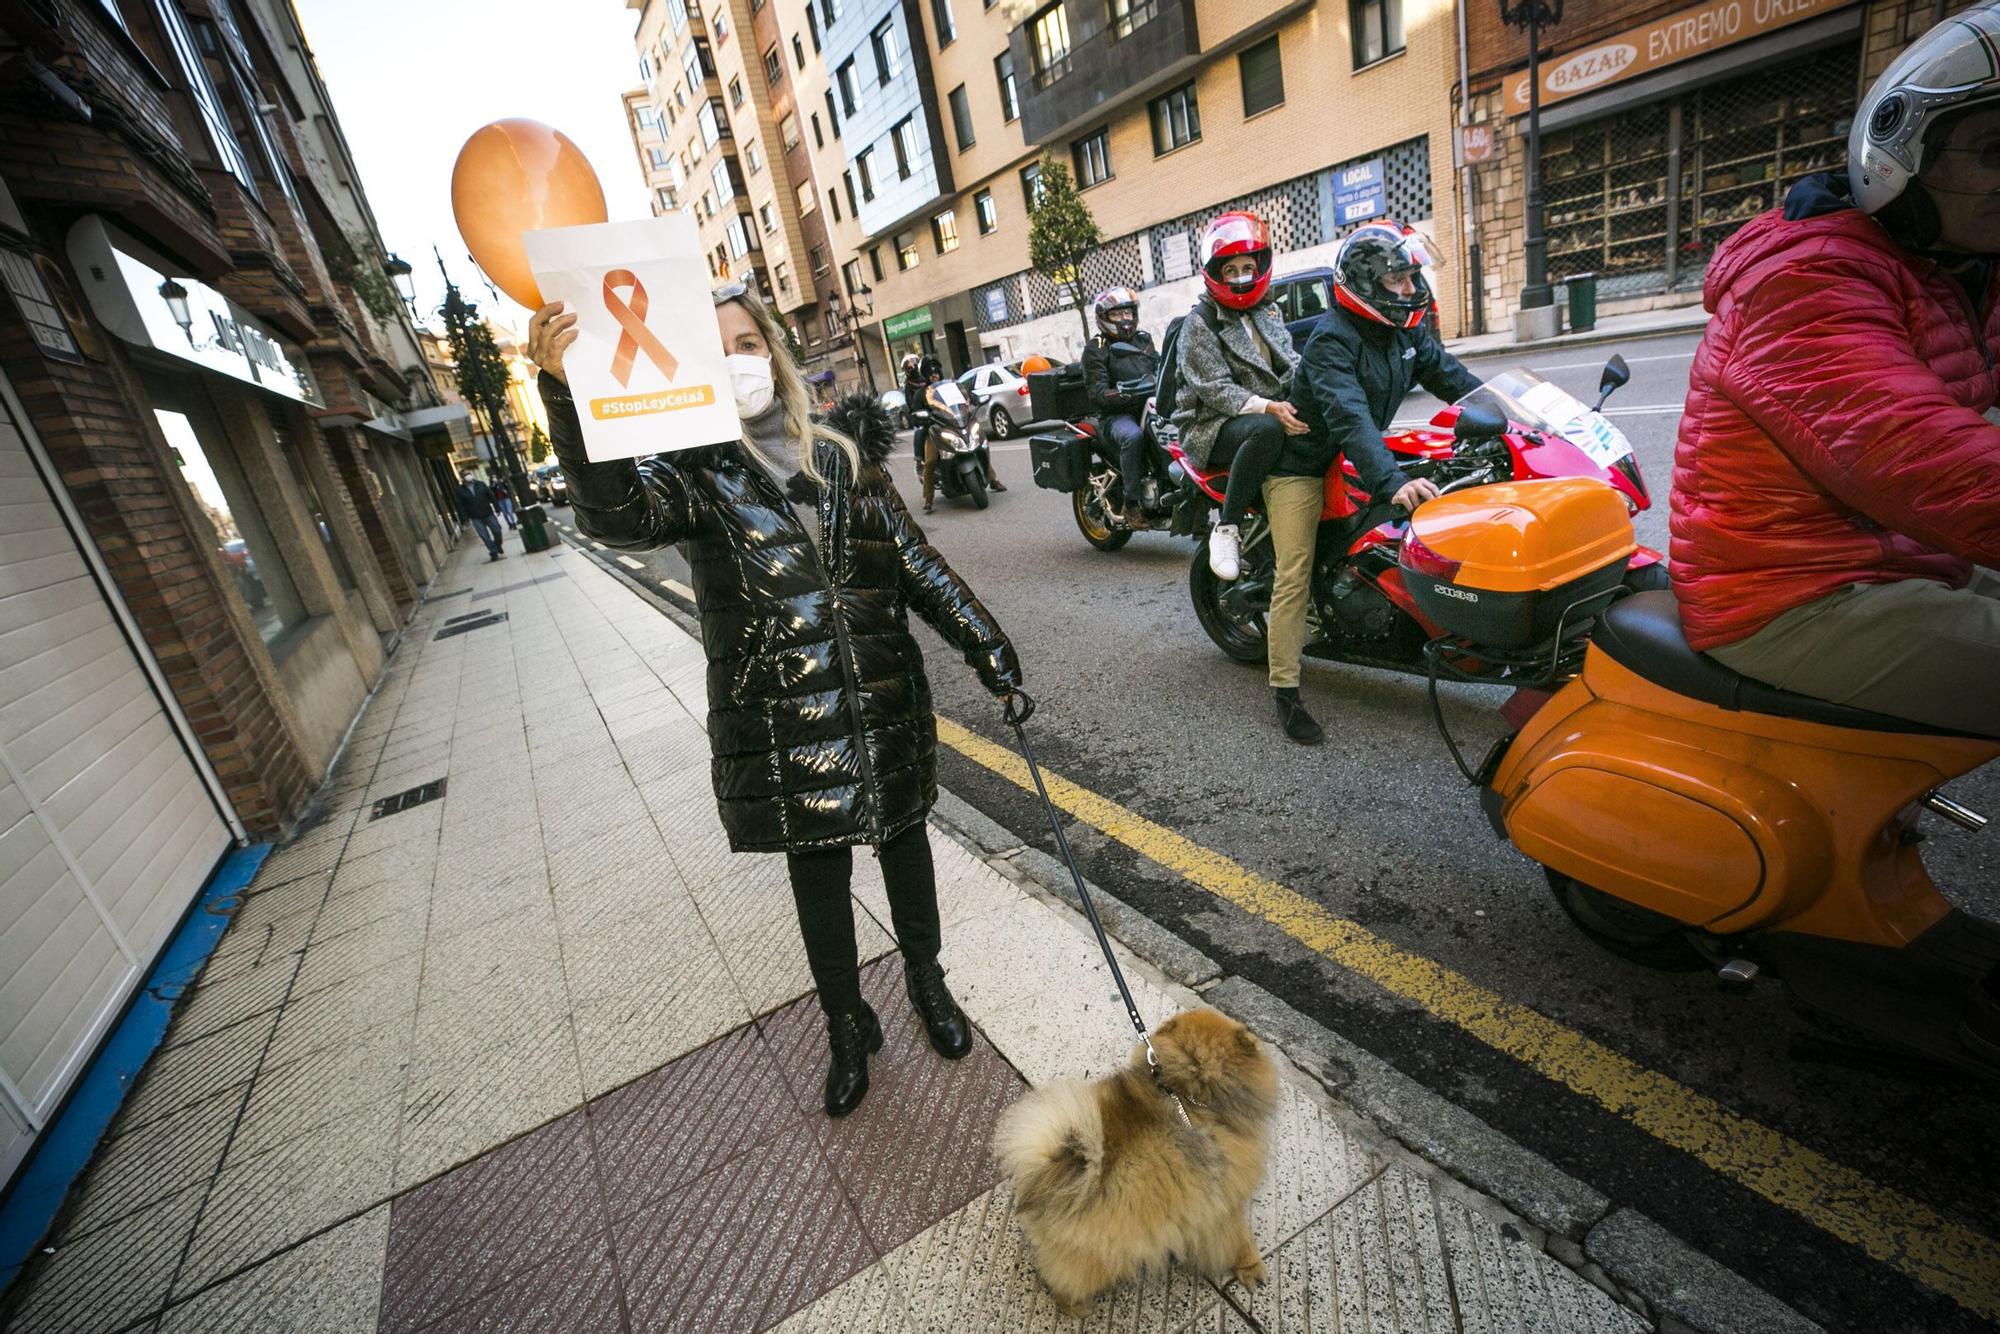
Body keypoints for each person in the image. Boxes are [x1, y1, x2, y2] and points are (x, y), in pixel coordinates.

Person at [526, 283, 1025, 1117]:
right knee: (818, 871)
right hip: (785, 715)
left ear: (774, 355)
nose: (739, 359)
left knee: (906, 843)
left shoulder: (840, 457)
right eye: (718, 346)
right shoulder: (692, 473)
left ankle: (927, 983)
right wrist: (564, 393)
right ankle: (844, 1020)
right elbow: (613, 516)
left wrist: (990, 649)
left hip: (880, 693)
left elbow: (916, 562)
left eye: (749, 342)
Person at [1669, 0, 2000, 735]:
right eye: (1993, 152)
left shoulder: (1953, 271)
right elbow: (1923, 457)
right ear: (1905, 150)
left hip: (1899, 558)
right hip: (1792, 590)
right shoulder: (1810, 280)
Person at [1170, 210, 1328, 743]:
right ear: (1215, 272)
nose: (1240, 278)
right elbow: (1212, 388)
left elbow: (1289, 364)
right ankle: (1227, 527)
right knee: (1265, 434)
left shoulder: (1269, 310)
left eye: (1247, 267)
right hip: (1213, 425)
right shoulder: (1200, 324)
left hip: (1265, 413)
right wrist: (1266, 407)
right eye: (1230, 268)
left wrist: (1316, 387)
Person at [1293, 221, 1481, 525]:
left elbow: (1454, 380)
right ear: (1365, 284)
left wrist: (1509, 420)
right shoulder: (1331, 340)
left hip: (1356, 455)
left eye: (1412, 277)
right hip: (1309, 464)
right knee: (1297, 564)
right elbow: (1349, 417)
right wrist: (1392, 481)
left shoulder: (1403, 331)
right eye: (1397, 279)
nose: (1410, 289)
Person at [1081, 286, 1161, 526]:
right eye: (1117, 315)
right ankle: (1132, 504)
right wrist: (1124, 393)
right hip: (1116, 416)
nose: (1125, 319)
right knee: (1133, 437)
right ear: (1104, 318)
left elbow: (1159, 368)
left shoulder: (1143, 340)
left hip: (1149, 407)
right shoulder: (1096, 348)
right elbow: (1097, 393)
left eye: (1128, 313)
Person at [918, 360, 1006, 513]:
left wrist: (975, 400)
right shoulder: (923, 394)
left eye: (936, 372)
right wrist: (922, 417)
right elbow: (916, 412)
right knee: (930, 461)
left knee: (978, 445)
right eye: (931, 374)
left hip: (960, 425)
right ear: (926, 376)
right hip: (936, 431)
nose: (934, 375)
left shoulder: (953, 387)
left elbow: (969, 397)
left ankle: (994, 480)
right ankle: (928, 498)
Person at [454, 467, 504, 561]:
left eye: (469, 473)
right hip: (475, 517)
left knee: (497, 530)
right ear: (462, 477)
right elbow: (460, 505)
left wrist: (497, 508)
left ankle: (497, 545)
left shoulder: (480, 484)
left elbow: (491, 496)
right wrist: (464, 518)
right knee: (484, 536)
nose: (468, 476)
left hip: (488, 513)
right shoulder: (460, 490)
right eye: (465, 474)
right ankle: (493, 552)